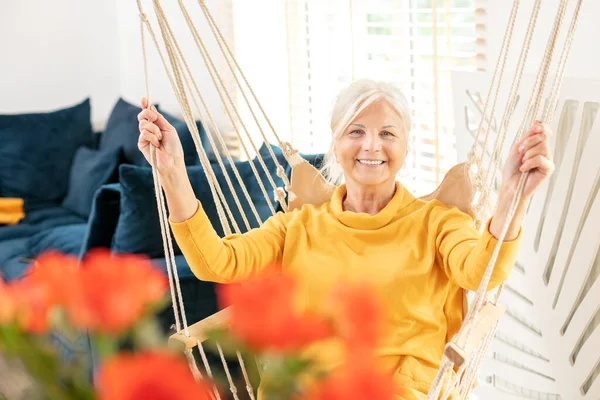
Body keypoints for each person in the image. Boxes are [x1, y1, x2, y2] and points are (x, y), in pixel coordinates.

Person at [137, 79, 554, 399]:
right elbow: (216, 263)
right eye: (356, 131)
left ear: (406, 145)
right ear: (335, 143)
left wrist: (510, 200)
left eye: (388, 133)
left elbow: (482, 270)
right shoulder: (298, 226)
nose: (372, 145)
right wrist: (173, 176)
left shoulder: (437, 223)